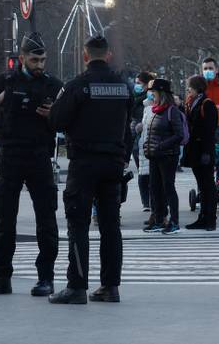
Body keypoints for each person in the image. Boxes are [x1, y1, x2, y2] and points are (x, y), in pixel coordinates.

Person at [0, 32, 63, 297]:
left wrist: (54, 115)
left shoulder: (53, 85)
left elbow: (71, 120)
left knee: (46, 220)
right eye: (35, 60)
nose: (40, 65)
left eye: (43, 60)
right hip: (10, 157)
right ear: (23, 58)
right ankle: (2, 277)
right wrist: (1, 99)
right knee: (4, 220)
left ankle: (45, 277)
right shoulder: (5, 81)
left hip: (39, 156)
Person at [48, 36, 132, 304]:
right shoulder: (123, 86)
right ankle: (110, 286)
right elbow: (128, 122)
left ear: (85, 56)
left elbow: (57, 120)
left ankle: (76, 286)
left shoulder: (78, 86)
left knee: (78, 224)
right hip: (113, 163)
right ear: (108, 56)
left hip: (84, 162)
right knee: (110, 226)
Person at [142, 78, 184, 234]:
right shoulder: (154, 110)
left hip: (167, 155)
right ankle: (159, 219)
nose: (152, 96)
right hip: (154, 155)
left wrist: (161, 145)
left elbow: (178, 135)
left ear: (161, 94)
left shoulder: (172, 111)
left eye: (154, 93)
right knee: (154, 188)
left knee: (168, 188)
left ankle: (174, 221)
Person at [182, 75, 218, 231]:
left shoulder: (207, 104)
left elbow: (210, 132)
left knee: (208, 185)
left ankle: (210, 218)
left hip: (203, 151)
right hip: (195, 151)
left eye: (190, 86)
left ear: (197, 88)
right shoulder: (192, 103)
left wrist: (207, 153)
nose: (188, 89)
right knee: (202, 186)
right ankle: (203, 217)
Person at [131, 72, 153, 211]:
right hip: (136, 139)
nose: (136, 85)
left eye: (139, 83)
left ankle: (152, 199)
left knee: (150, 171)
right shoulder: (134, 99)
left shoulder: (150, 98)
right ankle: (146, 202)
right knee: (141, 170)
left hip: (148, 138)